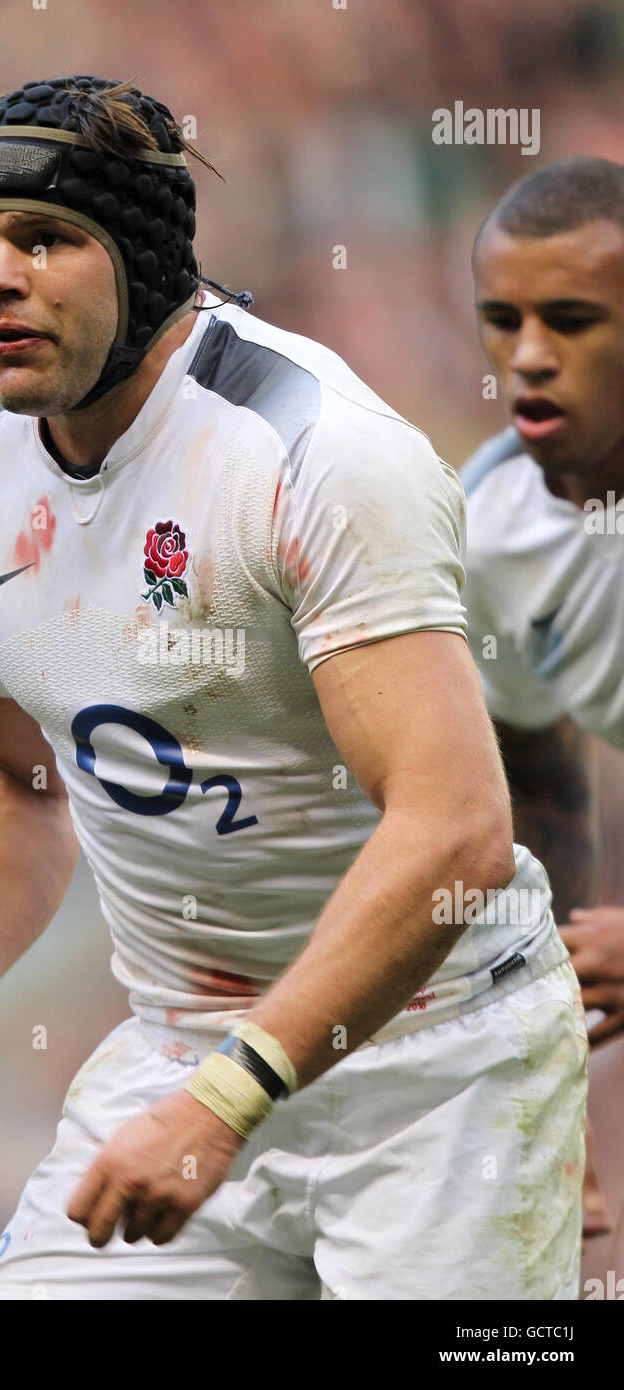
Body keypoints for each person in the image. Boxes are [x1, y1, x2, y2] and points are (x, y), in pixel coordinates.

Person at [0, 75, 587, 1301]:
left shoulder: (315, 454)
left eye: (46, 240)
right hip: (177, 1047)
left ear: (144, 260)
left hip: (436, 1064)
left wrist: (228, 1096)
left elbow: (456, 829)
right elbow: (14, 770)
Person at [462, 156, 624, 1236]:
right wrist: (546, 1060)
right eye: (501, 318)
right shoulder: (489, 529)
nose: (526, 356)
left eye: (569, 320)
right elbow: (533, 772)